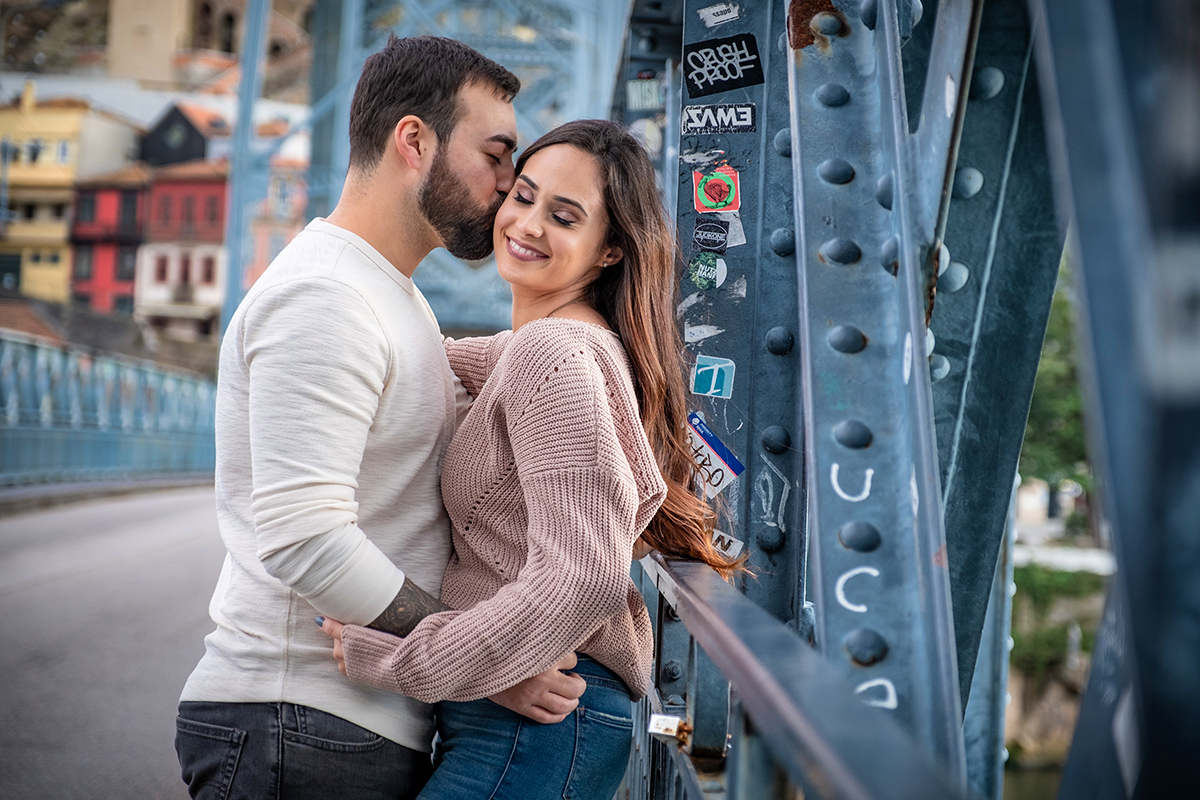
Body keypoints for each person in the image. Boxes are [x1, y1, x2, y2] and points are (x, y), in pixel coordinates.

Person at [175, 36, 587, 800]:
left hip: (331, 725)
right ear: (414, 140)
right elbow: (305, 538)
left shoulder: (390, 294)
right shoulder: (326, 298)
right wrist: (482, 655)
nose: (508, 183)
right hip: (297, 720)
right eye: (496, 154)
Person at [320, 119, 742, 800]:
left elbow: (582, 579)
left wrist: (402, 657)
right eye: (523, 196)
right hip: (527, 715)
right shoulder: (544, 347)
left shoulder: (554, 355)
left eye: (564, 216)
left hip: (540, 721)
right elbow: (421, 362)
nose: (528, 224)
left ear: (610, 251)